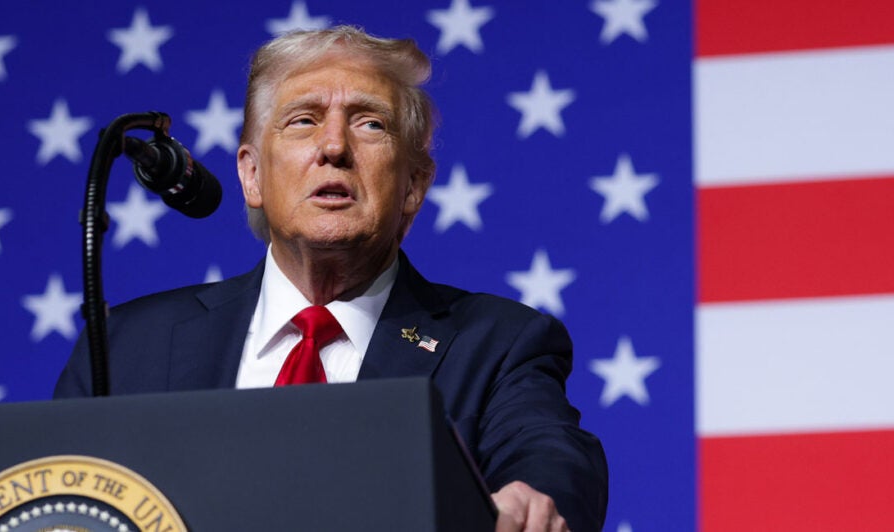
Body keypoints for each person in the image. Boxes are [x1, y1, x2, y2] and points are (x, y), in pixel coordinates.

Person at [56, 26, 608, 532]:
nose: (335, 147)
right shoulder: (128, 347)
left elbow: (549, 451)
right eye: (303, 120)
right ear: (252, 175)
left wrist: (534, 496)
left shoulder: (497, 343)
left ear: (414, 184)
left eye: (370, 123)